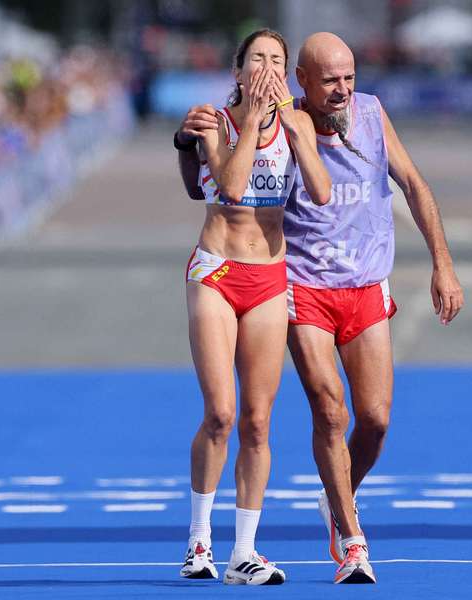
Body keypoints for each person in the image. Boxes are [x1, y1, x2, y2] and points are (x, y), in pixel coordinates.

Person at [175, 32, 464, 584]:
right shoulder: (236, 120)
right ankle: (334, 540)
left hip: (329, 282)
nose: (343, 90)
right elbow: (221, 186)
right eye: (329, 80)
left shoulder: (352, 116)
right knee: (281, 411)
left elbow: (360, 187)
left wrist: (442, 264)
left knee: (359, 421)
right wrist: (224, 127)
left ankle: (308, 515)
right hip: (274, 280)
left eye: (349, 78)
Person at [177, 28, 330, 586]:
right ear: (238, 71)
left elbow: (320, 192)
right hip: (216, 269)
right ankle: (199, 541)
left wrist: (293, 129)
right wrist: (253, 118)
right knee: (220, 413)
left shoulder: (297, 122)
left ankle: (245, 551)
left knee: (259, 423)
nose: (267, 68)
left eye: (277, 61)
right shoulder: (212, 121)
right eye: (257, 59)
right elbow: (234, 187)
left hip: (269, 275)